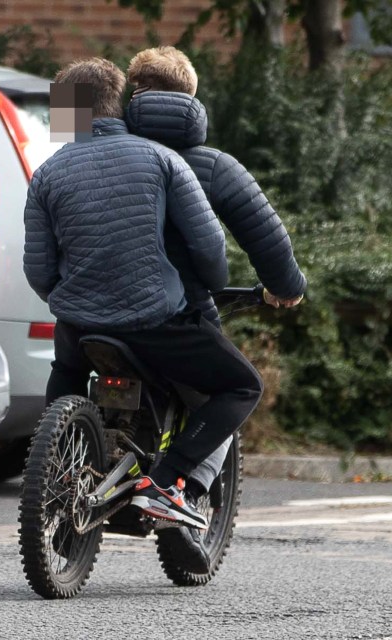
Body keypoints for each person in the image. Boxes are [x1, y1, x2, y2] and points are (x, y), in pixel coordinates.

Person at [24, 58, 264, 533]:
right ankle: (167, 480)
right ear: (117, 104)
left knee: (67, 372)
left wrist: (75, 300)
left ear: (71, 111)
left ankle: (53, 470)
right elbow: (209, 245)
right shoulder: (160, 158)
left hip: (81, 327)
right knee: (241, 385)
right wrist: (212, 285)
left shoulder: (47, 174)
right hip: (157, 325)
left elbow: (39, 271)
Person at [124, 45, 307, 563]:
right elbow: (266, 238)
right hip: (173, 318)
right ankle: (172, 482)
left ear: (132, 95)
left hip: (88, 311)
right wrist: (286, 287)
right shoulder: (213, 166)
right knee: (236, 385)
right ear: (190, 101)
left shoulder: (106, 159)